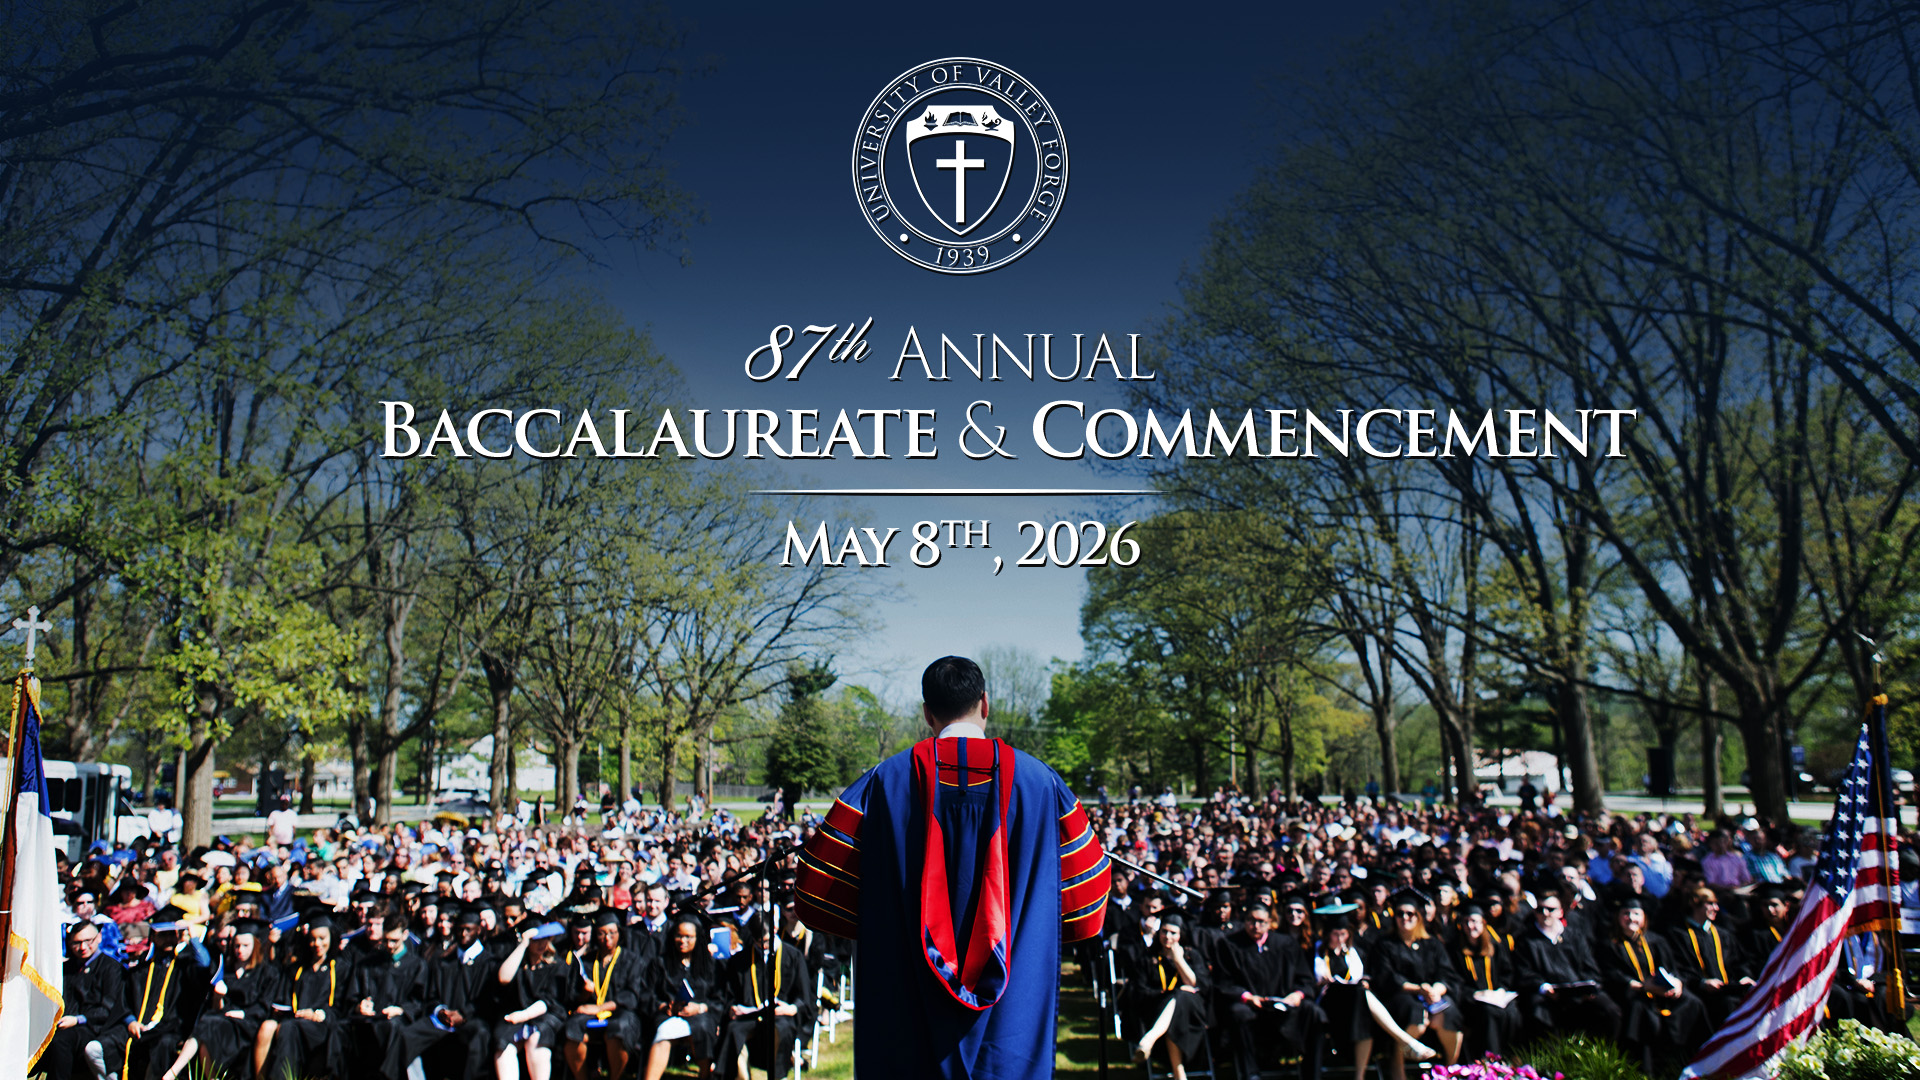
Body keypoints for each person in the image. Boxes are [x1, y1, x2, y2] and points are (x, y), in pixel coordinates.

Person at [792, 655, 1111, 1080]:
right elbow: (1087, 901)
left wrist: (883, 917)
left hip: (906, 987)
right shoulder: (1040, 782)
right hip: (1012, 990)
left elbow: (817, 888)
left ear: (927, 713)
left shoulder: (884, 781)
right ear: (985, 703)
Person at [1597, 897, 1708, 1071]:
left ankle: (1695, 1061)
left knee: (1693, 1002)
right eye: (1626, 913)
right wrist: (1642, 986)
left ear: (1644, 918)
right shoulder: (1610, 944)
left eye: (1636, 914)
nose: (1631, 918)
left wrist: (1677, 984)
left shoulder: (1656, 941)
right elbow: (1611, 975)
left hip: (1662, 992)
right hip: (1634, 993)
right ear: (1617, 917)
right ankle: (1645, 1069)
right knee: (1641, 1011)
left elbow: (1672, 969)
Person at [160, 919, 276, 1080]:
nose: (240, 950)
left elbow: (264, 1006)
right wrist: (218, 997)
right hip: (224, 1021)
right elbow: (218, 1007)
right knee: (208, 1024)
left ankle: (174, 1072)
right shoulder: (226, 969)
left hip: (248, 1023)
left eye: (245, 946)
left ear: (255, 946)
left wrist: (243, 1013)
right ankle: (182, 1073)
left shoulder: (266, 972)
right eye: (237, 946)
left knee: (208, 1025)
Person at [1213, 904, 1316, 1080]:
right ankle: (1251, 1074)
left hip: (1283, 1007)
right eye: (1251, 921)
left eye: (1261, 921)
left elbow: (1305, 979)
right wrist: (1247, 997)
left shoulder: (1286, 944)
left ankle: (1312, 1073)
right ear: (1244, 921)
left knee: (1314, 1012)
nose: (1256, 926)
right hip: (1250, 1007)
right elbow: (1223, 982)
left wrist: (1297, 995)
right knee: (1238, 1013)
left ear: (1269, 923)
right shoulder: (1229, 944)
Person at [1370, 889, 1463, 1079]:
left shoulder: (1432, 943)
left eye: (1410, 913)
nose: (1405, 918)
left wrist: (1436, 990)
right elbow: (1385, 977)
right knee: (1414, 1012)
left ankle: (1449, 1070)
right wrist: (1417, 989)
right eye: (1400, 913)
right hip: (1400, 996)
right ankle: (1398, 1071)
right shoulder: (1385, 944)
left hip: (1431, 996)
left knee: (1450, 1012)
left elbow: (1447, 973)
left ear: (1418, 916)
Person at [1513, 887, 1620, 1042]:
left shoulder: (1574, 935)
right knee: (1538, 1011)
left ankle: (1601, 1052)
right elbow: (1524, 971)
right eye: (1540, 909)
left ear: (1560, 912)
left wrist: (1588, 988)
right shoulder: (1526, 940)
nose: (1545, 913)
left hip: (1578, 992)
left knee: (1610, 1010)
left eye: (1550, 909)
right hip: (1547, 994)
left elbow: (1590, 967)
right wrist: (1543, 987)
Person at [121, 905, 214, 1080]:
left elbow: (204, 963)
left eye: (172, 934)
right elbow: (124, 1001)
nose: (168, 939)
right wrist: (131, 1021)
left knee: (164, 1044)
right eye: (163, 935)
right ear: (153, 937)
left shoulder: (184, 966)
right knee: (115, 1043)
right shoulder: (141, 970)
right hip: (139, 1028)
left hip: (171, 1028)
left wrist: (192, 935)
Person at [559, 908, 651, 1080]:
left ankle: (614, 1077)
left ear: (619, 933)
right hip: (591, 1013)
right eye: (601, 933)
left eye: (612, 933)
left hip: (621, 1012)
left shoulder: (632, 960)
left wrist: (599, 1008)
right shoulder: (586, 961)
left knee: (619, 1027)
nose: (607, 938)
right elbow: (573, 997)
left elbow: (632, 995)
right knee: (572, 1027)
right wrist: (584, 994)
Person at [715, 919, 812, 1080]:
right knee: (734, 1030)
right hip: (750, 1016)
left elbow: (804, 996)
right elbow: (729, 994)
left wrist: (792, 1008)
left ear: (774, 930)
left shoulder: (793, 956)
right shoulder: (741, 959)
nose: (763, 946)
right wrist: (732, 1008)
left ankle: (778, 1076)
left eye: (766, 941)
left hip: (781, 1016)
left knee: (781, 1029)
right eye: (758, 942)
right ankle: (742, 1077)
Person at [255, 914, 348, 1080]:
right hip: (297, 1023)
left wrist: (320, 1014)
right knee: (282, 1026)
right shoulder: (299, 969)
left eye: (322, 938)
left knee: (289, 1028)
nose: (317, 944)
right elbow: (283, 997)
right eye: (313, 939)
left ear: (331, 937)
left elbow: (342, 1004)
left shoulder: (340, 968)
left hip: (324, 1026)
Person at [1123, 916, 1209, 1080]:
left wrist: (1179, 960)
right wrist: (1168, 994)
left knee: (1182, 996)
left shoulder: (1192, 956)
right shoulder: (1148, 958)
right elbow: (1140, 991)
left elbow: (1197, 985)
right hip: (1156, 1010)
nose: (1168, 936)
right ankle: (1179, 1074)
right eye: (1164, 931)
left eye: (1173, 933)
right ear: (1158, 932)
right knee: (1177, 1002)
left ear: (1181, 935)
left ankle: (1149, 1039)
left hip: (1192, 1014)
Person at [48, 919, 132, 1080]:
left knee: (61, 1041)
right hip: (65, 1025)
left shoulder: (112, 968)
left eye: (88, 941)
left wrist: (78, 1019)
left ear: (99, 937)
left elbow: (109, 1008)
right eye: (76, 943)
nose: (82, 947)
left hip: (96, 1028)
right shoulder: (66, 969)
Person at [643, 915, 722, 1080]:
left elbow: (719, 998)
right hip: (668, 1015)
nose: (682, 941)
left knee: (703, 1027)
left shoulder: (709, 965)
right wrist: (664, 1006)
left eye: (688, 937)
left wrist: (700, 1007)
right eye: (679, 936)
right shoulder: (660, 963)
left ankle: (705, 1075)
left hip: (700, 1015)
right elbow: (647, 994)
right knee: (664, 1032)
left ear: (697, 938)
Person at [493, 920, 567, 1080]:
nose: (541, 944)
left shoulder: (557, 965)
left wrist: (524, 1015)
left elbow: (550, 1000)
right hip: (518, 1015)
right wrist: (522, 945)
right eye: (535, 940)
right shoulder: (519, 964)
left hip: (546, 1015)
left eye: (544, 938)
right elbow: (503, 978)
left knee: (536, 1037)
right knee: (503, 1043)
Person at [1670, 886, 1752, 1027]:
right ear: (1694, 903)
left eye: (1716, 904)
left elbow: (1739, 962)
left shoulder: (1723, 934)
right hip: (1700, 994)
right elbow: (1679, 967)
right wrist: (1701, 983)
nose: (1716, 908)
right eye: (1710, 904)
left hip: (1727, 991)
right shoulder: (1679, 935)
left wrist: (1744, 976)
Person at [1452, 904, 1522, 1058]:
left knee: (1512, 1012)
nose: (1470, 926)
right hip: (1472, 1002)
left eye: (1474, 921)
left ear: (1483, 922)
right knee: (1489, 1013)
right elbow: (1455, 980)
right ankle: (1491, 1059)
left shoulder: (1494, 945)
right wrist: (1474, 994)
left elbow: (1507, 972)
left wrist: (1501, 989)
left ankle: (1512, 1058)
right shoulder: (1455, 950)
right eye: (1466, 922)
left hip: (1497, 997)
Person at [1313, 912, 1375, 1077]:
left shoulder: (1352, 952)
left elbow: (1358, 976)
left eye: (1343, 934)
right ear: (1328, 934)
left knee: (1362, 1000)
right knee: (1363, 997)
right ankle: (1403, 1038)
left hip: (1353, 1004)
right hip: (1329, 1003)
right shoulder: (1318, 950)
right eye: (1336, 934)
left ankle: (1359, 1076)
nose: (1340, 938)